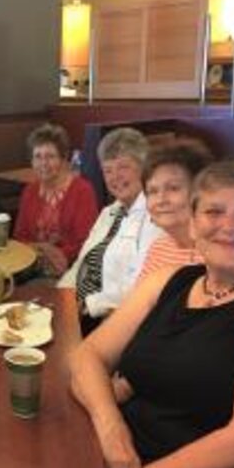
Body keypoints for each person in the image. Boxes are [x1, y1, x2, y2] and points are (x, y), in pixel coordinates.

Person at [70, 160, 234, 468]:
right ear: (193, 224)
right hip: (116, 458)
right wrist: (112, 432)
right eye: (213, 211)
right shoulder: (168, 280)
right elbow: (88, 356)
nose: (229, 225)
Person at [58, 127, 162, 336]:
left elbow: (137, 286)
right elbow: (81, 263)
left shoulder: (155, 218)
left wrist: (87, 305)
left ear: (144, 169)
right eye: (108, 170)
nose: (115, 177)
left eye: (123, 167)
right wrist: (61, 296)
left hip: (109, 321)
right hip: (77, 308)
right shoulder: (109, 212)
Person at [13, 123, 99, 276]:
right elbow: (20, 237)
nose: (43, 163)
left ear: (63, 158)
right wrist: (40, 252)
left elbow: (86, 242)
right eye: (37, 157)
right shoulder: (30, 191)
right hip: (32, 265)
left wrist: (55, 255)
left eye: (50, 156)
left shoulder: (82, 190)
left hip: (71, 270)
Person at [138, 139, 214, 279]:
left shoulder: (220, 253)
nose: (161, 200)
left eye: (173, 188)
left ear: (201, 192)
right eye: (153, 191)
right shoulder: (159, 248)